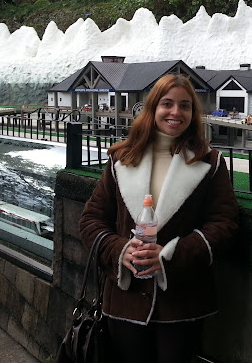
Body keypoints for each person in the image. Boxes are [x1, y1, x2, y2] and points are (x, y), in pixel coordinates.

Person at [79, 73, 239, 363]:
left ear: (193, 113)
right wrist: (121, 251)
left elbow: (224, 225)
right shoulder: (120, 158)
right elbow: (91, 219)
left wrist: (169, 257)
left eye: (185, 105)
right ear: (152, 108)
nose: (176, 112)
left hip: (182, 301)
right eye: (167, 103)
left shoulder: (209, 162)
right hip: (124, 299)